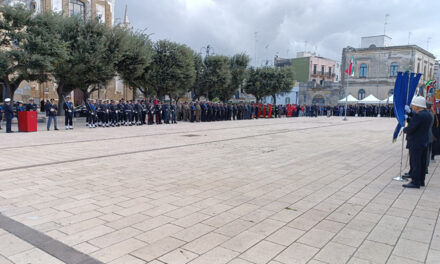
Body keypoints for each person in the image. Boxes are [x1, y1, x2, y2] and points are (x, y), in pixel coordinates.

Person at [403, 96, 432, 189]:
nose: (413, 106)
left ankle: (415, 182)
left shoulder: (419, 115)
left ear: (418, 106)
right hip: (424, 141)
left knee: (416, 163)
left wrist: (404, 129)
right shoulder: (427, 114)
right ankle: (421, 181)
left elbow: (412, 128)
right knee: (422, 163)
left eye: (414, 105)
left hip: (416, 142)